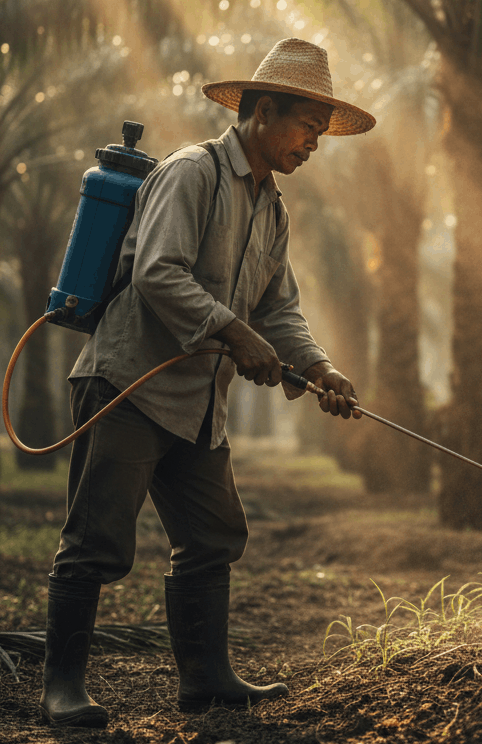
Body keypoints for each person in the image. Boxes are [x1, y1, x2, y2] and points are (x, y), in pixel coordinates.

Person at [39, 38, 375, 728]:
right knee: (96, 540)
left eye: (321, 131)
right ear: (263, 110)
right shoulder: (192, 173)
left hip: (197, 405)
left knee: (214, 534)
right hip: (130, 385)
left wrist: (318, 367)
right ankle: (62, 688)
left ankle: (207, 680)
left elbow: (278, 307)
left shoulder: (271, 207)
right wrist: (235, 332)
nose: (315, 143)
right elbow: (160, 271)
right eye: (307, 125)